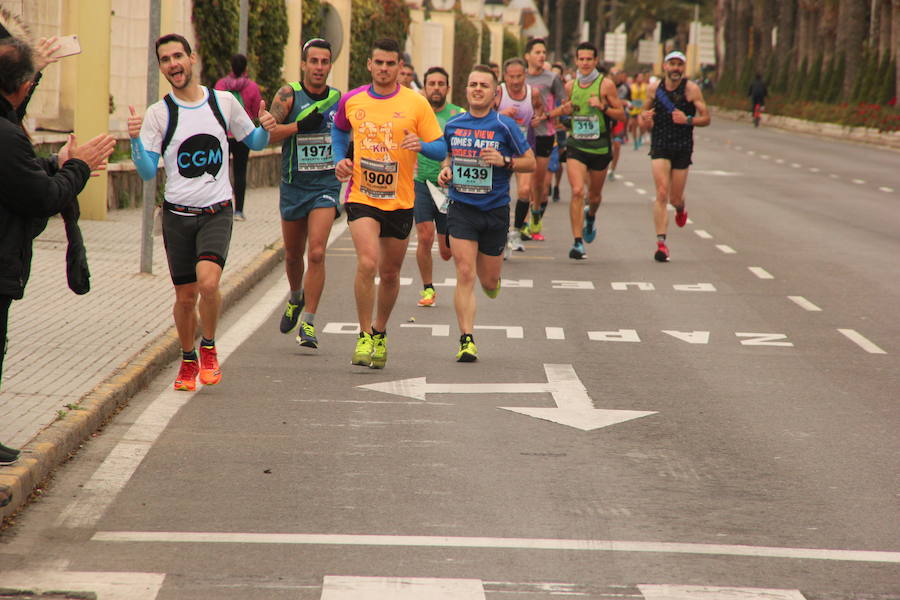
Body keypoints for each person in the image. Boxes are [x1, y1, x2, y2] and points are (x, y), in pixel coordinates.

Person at [129, 33, 276, 391]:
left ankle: (208, 347)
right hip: (177, 216)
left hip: (216, 211)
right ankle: (187, 358)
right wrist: (135, 140)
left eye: (178, 56)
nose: (173, 64)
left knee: (209, 284)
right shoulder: (158, 114)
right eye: (165, 59)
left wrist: (265, 128)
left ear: (192, 59)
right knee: (184, 297)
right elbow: (149, 172)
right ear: (161, 67)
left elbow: (252, 141)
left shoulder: (222, 102)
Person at [1, 37, 115, 463]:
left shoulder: (8, 130)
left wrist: (58, 164)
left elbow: (24, 173)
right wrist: (77, 166)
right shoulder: (7, 137)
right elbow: (43, 197)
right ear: (22, 86)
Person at [332, 38, 445, 369]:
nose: (383, 69)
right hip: (362, 196)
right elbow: (339, 131)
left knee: (390, 272)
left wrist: (421, 145)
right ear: (369, 64)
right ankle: (364, 334)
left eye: (390, 64)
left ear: (400, 67)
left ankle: (380, 332)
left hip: (399, 200)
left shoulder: (416, 103)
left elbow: (440, 149)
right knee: (367, 263)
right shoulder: (352, 100)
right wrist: (341, 159)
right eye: (378, 63)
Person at [438, 65, 534, 362]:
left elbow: (529, 162)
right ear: (466, 90)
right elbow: (448, 157)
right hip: (462, 209)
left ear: (495, 94)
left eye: (484, 85)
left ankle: (492, 282)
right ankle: (466, 338)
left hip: (494, 211)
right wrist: (445, 171)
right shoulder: (454, 125)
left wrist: (505, 161)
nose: (477, 89)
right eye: (472, 84)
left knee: (488, 281)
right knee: (465, 272)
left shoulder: (504, 127)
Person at [267, 38, 342, 348]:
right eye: (314, 61)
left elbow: (350, 134)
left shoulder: (339, 99)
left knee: (317, 252)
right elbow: (268, 136)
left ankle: (308, 323)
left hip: (325, 185)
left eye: (325, 62)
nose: (319, 68)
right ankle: (296, 296)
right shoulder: (287, 95)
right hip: (294, 186)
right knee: (294, 255)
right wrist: (299, 126)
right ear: (303, 64)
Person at [639, 50, 711, 262]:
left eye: (680, 65)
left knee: (675, 198)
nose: (676, 69)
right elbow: (643, 115)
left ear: (684, 68)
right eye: (672, 64)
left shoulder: (691, 89)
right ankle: (661, 244)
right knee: (661, 193)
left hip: (682, 146)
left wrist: (688, 120)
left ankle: (680, 208)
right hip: (660, 144)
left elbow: (706, 118)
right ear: (664, 67)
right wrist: (645, 116)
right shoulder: (654, 89)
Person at [560, 42, 625, 260]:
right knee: (578, 191)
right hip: (577, 146)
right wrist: (565, 115)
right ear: (576, 61)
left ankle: (591, 216)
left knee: (594, 197)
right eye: (581, 59)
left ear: (596, 61)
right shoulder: (570, 87)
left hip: (600, 148)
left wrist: (603, 107)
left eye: (589, 59)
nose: (585, 63)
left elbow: (621, 115)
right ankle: (577, 242)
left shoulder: (605, 85)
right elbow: (563, 118)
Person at [413, 66, 464, 308]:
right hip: (420, 183)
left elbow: (462, 150)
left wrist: (452, 168)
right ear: (424, 87)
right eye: (431, 83)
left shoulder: (458, 115)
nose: (436, 88)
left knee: (446, 251)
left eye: (440, 83)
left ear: (448, 88)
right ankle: (428, 288)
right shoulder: (416, 112)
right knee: (424, 236)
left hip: (448, 188)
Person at [497, 57, 543, 249]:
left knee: (524, 191)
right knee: (500, 193)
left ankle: (515, 231)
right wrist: (501, 115)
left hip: (523, 149)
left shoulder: (533, 93)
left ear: (525, 75)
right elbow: (484, 115)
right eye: (511, 77)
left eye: (519, 76)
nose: (515, 81)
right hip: (500, 149)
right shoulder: (499, 92)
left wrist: (537, 118)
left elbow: (539, 109)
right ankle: (500, 233)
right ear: (505, 76)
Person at [523, 38, 567, 241]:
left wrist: (547, 116)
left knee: (539, 182)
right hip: (523, 134)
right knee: (525, 182)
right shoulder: (519, 78)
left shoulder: (552, 78)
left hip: (545, 134)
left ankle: (536, 215)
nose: (542, 56)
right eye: (537, 52)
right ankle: (521, 223)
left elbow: (566, 106)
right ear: (527, 56)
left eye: (544, 52)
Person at [214, 54, 262, 221]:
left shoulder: (220, 86)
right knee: (240, 172)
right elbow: (257, 112)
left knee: (222, 172)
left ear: (231, 67)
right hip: (243, 136)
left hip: (223, 135)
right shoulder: (252, 87)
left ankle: (223, 207)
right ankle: (239, 211)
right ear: (245, 68)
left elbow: (213, 109)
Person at [607, 67, 631, 180]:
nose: (615, 76)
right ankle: (603, 166)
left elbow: (629, 102)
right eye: (613, 74)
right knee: (607, 145)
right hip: (606, 117)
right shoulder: (604, 85)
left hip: (619, 118)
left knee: (617, 145)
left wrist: (626, 103)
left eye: (617, 74)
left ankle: (612, 169)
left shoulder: (625, 87)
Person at [549, 62, 568, 202]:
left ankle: (556, 185)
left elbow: (567, 120)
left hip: (559, 133)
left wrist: (560, 126)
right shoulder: (545, 92)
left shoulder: (563, 96)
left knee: (559, 162)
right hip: (546, 133)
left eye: (557, 75)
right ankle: (547, 184)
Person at [629, 72, 648, 149]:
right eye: (639, 77)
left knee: (642, 124)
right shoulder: (631, 86)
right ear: (636, 78)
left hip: (642, 109)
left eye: (641, 77)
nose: (640, 78)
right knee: (634, 126)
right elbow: (628, 96)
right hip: (634, 108)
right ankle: (635, 141)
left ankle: (640, 137)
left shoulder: (646, 86)